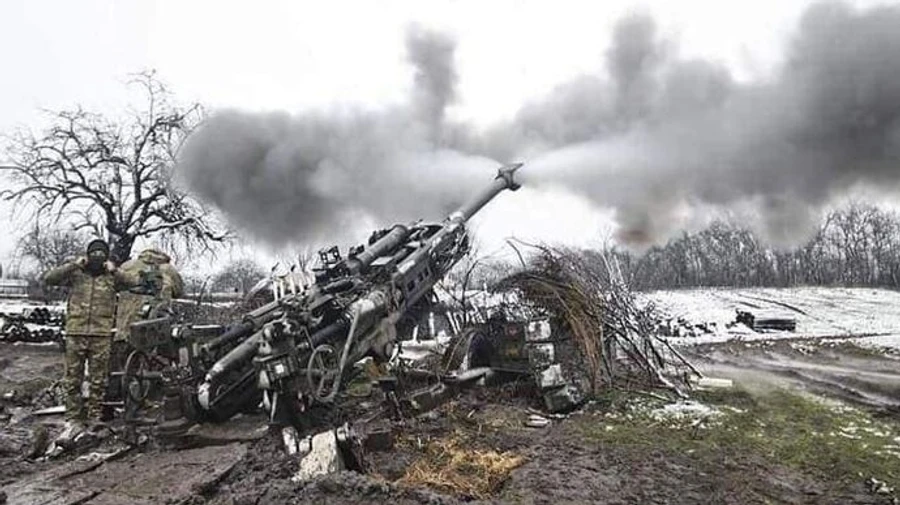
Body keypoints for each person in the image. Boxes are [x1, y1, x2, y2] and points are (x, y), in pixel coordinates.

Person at [43, 239, 136, 444]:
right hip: (75, 333)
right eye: (93, 253)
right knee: (72, 379)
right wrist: (74, 264)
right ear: (87, 254)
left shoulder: (111, 277)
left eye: (100, 253)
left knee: (98, 380)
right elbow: (49, 278)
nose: (96, 256)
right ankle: (73, 418)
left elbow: (134, 282)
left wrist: (115, 271)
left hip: (101, 335)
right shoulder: (76, 274)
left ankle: (95, 418)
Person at [110, 248, 184, 399]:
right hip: (156, 325)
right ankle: (152, 397)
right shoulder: (167, 269)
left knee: (126, 363)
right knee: (157, 361)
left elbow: (114, 286)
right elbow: (179, 291)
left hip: (126, 325)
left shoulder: (127, 265)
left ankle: (124, 396)